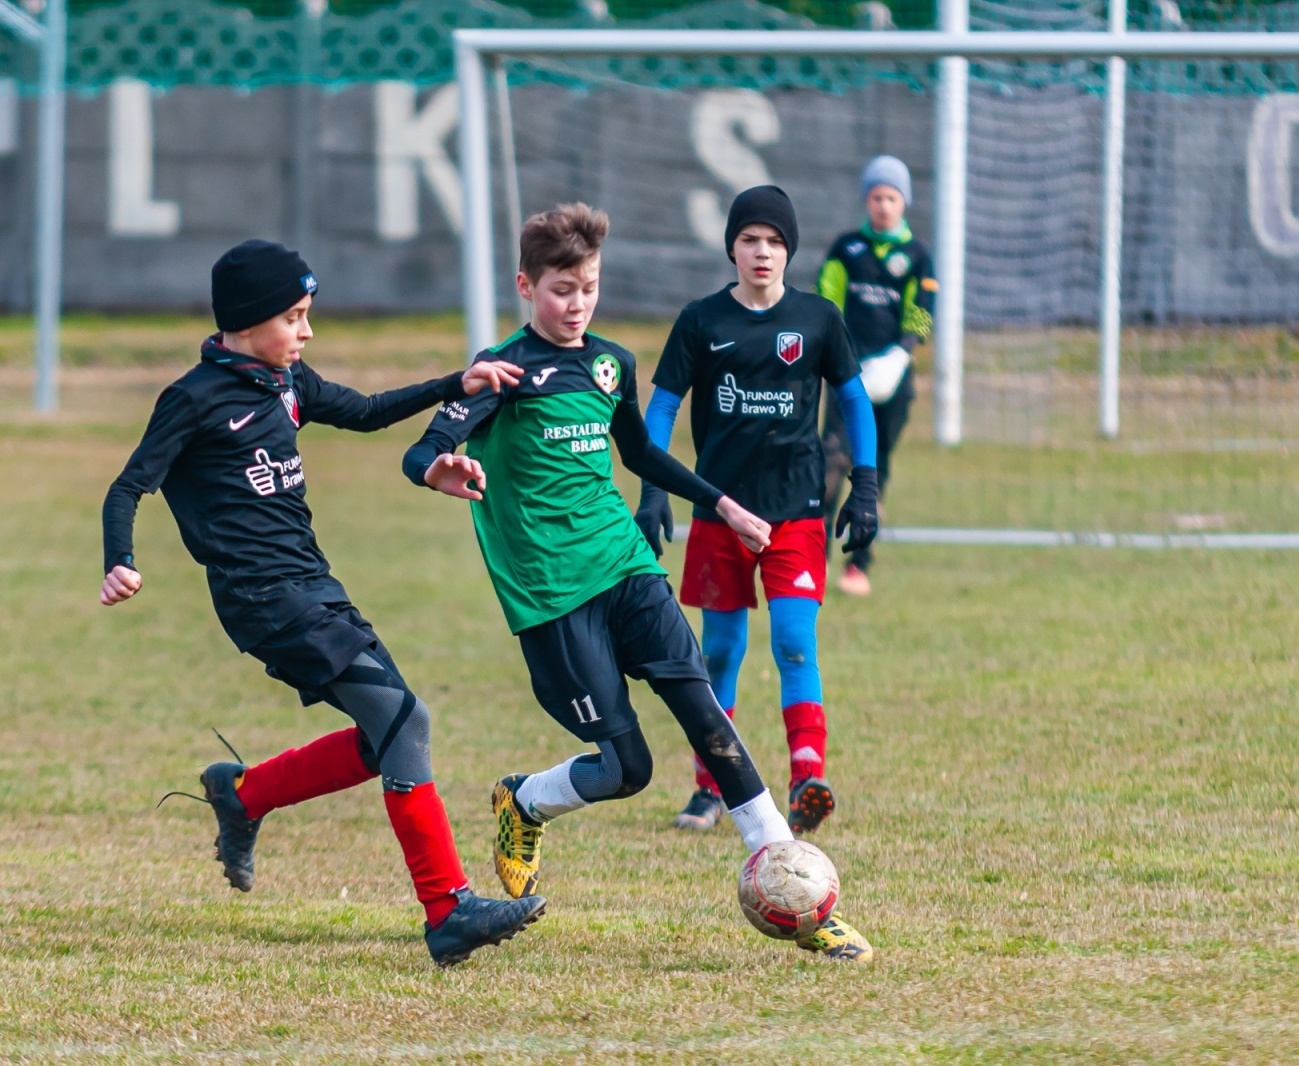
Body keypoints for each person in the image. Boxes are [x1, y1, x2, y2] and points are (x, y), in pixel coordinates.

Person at [401, 202, 873, 962]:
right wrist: (440, 467)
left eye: (587, 287)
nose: (576, 303)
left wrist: (722, 504)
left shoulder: (609, 364)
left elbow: (642, 455)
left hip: (627, 568)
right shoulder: (502, 371)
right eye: (560, 289)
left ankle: (800, 895)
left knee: (704, 709)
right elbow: (421, 447)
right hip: (552, 595)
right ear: (527, 286)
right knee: (628, 769)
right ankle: (523, 801)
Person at [100, 239, 544, 967]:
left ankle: (242, 796)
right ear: (248, 321)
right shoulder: (193, 398)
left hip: (315, 585)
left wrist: (454, 384)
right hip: (263, 600)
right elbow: (128, 487)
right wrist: (121, 561)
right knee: (406, 719)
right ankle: (448, 911)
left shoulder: (287, 380)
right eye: (296, 317)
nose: (306, 332)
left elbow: (366, 411)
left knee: (384, 738)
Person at [633, 185, 880, 837]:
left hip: (798, 510)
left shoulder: (820, 319)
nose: (762, 252)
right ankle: (711, 787)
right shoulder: (702, 320)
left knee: (796, 642)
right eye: (750, 240)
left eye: (774, 242)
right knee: (718, 654)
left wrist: (866, 484)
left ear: (788, 251)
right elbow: (661, 407)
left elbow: (854, 402)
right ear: (732, 248)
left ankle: (806, 779)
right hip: (720, 512)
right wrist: (655, 489)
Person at [819, 155, 937, 597]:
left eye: (891, 197)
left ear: (903, 201)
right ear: (866, 200)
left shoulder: (917, 256)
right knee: (830, 461)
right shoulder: (846, 249)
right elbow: (825, 302)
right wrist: (837, 357)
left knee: (873, 469)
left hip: (893, 381)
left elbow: (923, 315)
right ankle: (815, 559)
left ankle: (859, 564)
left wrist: (901, 355)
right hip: (847, 377)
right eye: (876, 197)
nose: (883, 206)